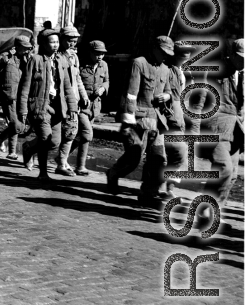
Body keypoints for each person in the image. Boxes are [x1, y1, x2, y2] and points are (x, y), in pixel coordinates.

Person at [106, 36, 175, 204]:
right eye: (164, 52)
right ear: (155, 49)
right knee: (134, 157)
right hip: (138, 119)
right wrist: (127, 121)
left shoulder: (166, 69)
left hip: (157, 121)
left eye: (169, 54)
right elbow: (130, 93)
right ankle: (114, 172)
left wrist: (165, 96)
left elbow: (169, 92)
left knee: (158, 159)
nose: (166, 56)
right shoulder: (139, 63)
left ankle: (148, 193)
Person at [17, 28, 78, 185]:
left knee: (54, 142)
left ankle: (30, 147)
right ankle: (43, 173)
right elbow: (25, 86)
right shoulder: (35, 60)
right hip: (39, 104)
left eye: (57, 42)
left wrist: (72, 108)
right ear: (43, 44)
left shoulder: (62, 61)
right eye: (52, 42)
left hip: (56, 106)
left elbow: (67, 87)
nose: (56, 45)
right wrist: (23, 109)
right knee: (45, 138)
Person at [195, 38, 243, 222]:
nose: (243, 62)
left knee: (231, 175)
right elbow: (200, 100)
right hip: (216, 127)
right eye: (240, 58)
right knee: (223, 168)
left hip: (238, 131)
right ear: (231, 54)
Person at [53, 26, 90, 176]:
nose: (72, 44)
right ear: (61, 39)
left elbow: (78, 78)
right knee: (51, 136)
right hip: (57, 100)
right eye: (69, 41)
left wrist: (84, 95)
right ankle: (31, 148)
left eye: (74, 41)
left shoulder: (74, 56)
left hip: (72, 100)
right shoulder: (55, 56)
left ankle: (61, 163)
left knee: (70, 132)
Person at [0, 35, 33, 160]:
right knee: (15, 124)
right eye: (24, 48)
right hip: (8, 96)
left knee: (19, 124)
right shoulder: (7, 57)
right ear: (17, 47)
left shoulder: (27, 60)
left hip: (22, 97)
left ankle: (1, 139)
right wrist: (5, 57)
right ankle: (12, 151)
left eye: (28, 48)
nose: (27, 50)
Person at [72, 40, 110, 175]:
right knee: (87, 134)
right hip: (81, 106)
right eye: (97, 53)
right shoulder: (80, 64)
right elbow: (73, 83)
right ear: (90, 52)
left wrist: (103, 89)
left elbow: (107, 81)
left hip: (95, 107)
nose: (100, 56)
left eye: (102, 54)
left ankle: (66, 160)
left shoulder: (103, 65)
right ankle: (79, 166)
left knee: (80, 136)